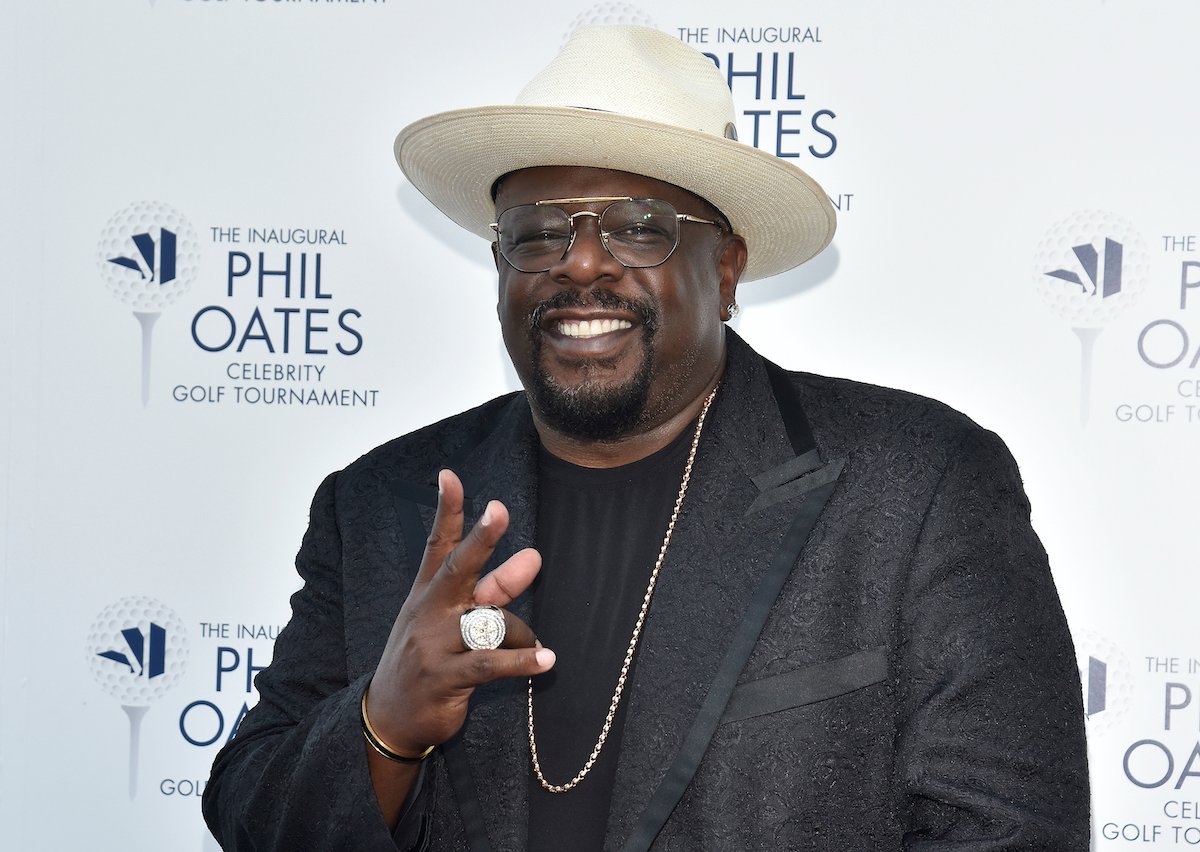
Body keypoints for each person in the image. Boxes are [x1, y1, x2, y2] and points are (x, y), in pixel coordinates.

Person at [203, 24, 1089, 852]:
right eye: (539, 231)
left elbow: (1009, 832)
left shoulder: (916, 485)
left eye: (637, 227)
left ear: (727, 269)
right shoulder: (382, 505)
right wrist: (384, 725)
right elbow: (250, 812)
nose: (581, 264)